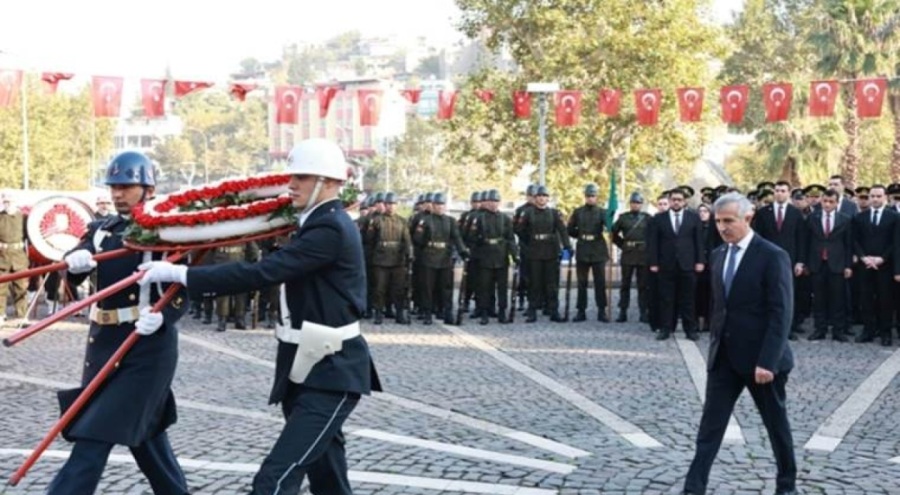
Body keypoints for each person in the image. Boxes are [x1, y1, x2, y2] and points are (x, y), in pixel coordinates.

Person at [140, 138, 381, 494]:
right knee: (328, 478)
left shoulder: (329, 227)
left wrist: (184, 276)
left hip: (332, 372)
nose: (291, 184)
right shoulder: (313, 222)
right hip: (307, 367)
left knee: (274, 479)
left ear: (328, 182)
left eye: (301, 177)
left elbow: (263, 273)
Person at [51, 151, 189, 495]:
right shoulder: (101, 230)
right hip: (104, 345)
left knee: (93, 437)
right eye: (114, 186)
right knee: (148, 441)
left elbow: (187, 283)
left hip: (146, 349)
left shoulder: (165, 231)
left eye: (126, 186)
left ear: (148, 188)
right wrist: (74, 263)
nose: (117, 194)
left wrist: (164, 316)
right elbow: (72, 280)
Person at [682, 193, 796, 495]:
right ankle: (693, 488)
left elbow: (781, 312)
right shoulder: (718, 255)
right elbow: (720, 308)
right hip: (724, 360)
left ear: (748, 218)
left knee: (776, 427)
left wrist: (767, 361)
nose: (722, 227)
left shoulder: (772, 255)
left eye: (728, 221)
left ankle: (787, 486)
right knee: (709, 429)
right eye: (718, 221)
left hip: (762, 361)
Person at [646, 188, 705, 340]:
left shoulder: (693, 218)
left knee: (688, 299)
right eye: (674, 199)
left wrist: (700, 261)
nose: (676, 202)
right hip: (666, 264)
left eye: (679, 199)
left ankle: (690, 329)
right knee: (666, 298)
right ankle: (665, 328)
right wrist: (653, 262)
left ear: (684, 201)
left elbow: (699, 242)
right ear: (670, 201)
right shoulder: (659, 219)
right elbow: (653, 243)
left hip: (688, 264)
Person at [802, 189, 853, 342]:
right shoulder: (812, 218)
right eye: (825, 201)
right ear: (821, 201)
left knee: (838, 298)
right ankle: (820, 329)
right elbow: (806, 242)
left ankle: (838, 330)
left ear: (837, 203)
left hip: (837, 264)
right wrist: (805, 263)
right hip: (817, 264)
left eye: (831, 202)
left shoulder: (845, 219)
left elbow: (849, 244)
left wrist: (848, 266)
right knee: (819, 298)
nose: (827, 204)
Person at [566, 183, 610, 322]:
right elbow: (570, 229)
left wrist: (610, 216)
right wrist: (581, 235)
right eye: (588, 195)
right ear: (585, 196)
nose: (591, 198)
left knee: (600, 282)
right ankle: (581, 311)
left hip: (598, 249)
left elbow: (609, 227)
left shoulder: (602, 212)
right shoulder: (578, 212)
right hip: (583, 248)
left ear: (597, 197)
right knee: (581, 283)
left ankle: (602, 310)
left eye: (593, 195)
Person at [611, 192, 651, 323]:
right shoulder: (623, 218)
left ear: (641, 204)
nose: (636, 205)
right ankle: (623, 311)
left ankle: (643, 311)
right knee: (625, 284)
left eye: (638, 203)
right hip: (628, 254)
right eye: (634, 202)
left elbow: (653, 235)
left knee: (643, 285)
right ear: (630, 204)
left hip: (643, 254)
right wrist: (622, 245)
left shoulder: (647, 218)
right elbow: (613, 233)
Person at [0, 191, 28, 324]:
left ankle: (21, 316)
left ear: (15, 202)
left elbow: (32, 236)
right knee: (1, 288)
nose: (7, 204)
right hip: (2, 257)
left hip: (19, 257)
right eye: (5, 201)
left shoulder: (24, 218)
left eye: (10, 201)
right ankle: (0, 315)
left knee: (21, 288)